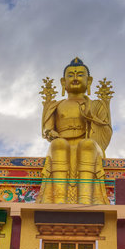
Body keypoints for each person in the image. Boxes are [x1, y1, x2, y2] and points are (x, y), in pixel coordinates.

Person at [37, 57, 112, 204]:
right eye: (70, 75)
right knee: (57, 145)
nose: (75, 78)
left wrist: (92, 118)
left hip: (88, 144)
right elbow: (46, 129)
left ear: (89, 81)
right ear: (63, 82)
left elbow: (106, 130)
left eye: (80, 75)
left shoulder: (96, 105)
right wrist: (50, 133)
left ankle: (86, 199)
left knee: (87, 145)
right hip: (62, 143)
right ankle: (58, 199)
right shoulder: (56, 105)